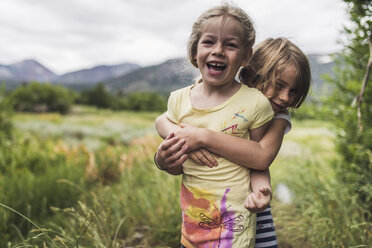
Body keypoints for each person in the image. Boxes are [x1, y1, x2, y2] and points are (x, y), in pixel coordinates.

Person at [155, 36, 311, 248]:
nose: (285, 98)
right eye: (279, 85)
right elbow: (162, 120)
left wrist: (202, 137)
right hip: (206, 204)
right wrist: (178, 140)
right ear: (255, 74)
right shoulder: (224, 98)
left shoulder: (279, 117)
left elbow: (261, 157)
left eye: (293, 91)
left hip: (250, 205)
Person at [153, 3, 275, 247]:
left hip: (234, 230)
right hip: (192, 227)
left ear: (245, 55)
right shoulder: (178, 100)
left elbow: (259, 160)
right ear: (195, 49)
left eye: (230, 45)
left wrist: (262, 190)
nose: (218, 50)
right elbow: (180, 166)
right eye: (209, 42)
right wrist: (164, 161)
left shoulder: (254, 102)